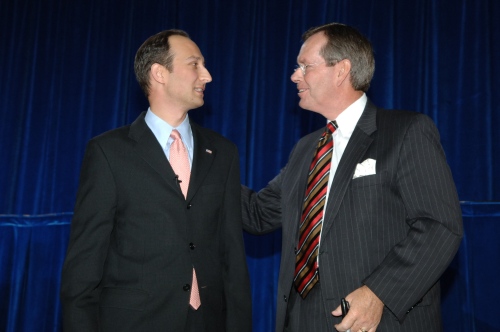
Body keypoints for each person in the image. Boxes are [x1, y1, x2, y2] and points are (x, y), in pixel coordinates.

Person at [241, 23, 463, 332]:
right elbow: (257, 214)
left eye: (305, 66)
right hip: (302, 320)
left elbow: (439, 225)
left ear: (341, 70)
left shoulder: (405, 131)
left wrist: (378, 293)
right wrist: (190, 165)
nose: (294, 75)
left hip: (379, 320)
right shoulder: (306, 149)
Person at [60, 29, 252, 332]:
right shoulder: (109, 152)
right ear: (159, 73)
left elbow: (232, 255)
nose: (208, 75)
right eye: (194, 64)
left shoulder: (223, 152)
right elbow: (84, 265)